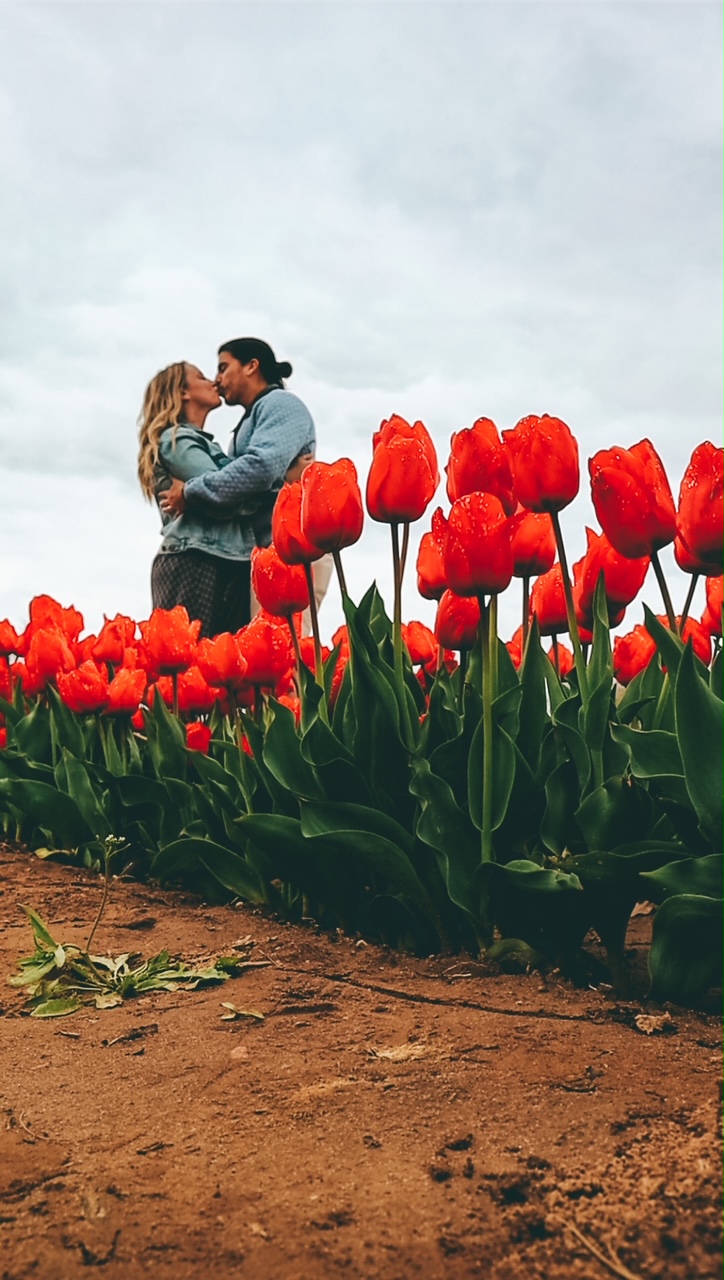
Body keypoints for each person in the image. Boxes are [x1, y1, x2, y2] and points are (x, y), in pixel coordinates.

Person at [159, 337, 320, 625]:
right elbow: (255, 477)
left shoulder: (280, 404)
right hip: (270, 551)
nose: (218, 379)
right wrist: (280, 480)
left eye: (223, 367)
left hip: (295, 546)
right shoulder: (249, 422)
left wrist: (192, 492)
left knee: (289, 647)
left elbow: (260, 467)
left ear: (251, 366)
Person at [137, 361, 267, 637]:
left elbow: (225, 488)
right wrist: (259, 490)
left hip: (225, 559)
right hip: (194, 560)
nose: (214, 382)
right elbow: (227, 492)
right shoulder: (176, 440)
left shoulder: (205, 445)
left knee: (222, 669)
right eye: (202, 377)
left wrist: (201, 491)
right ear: (183, 392)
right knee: (192, 666)